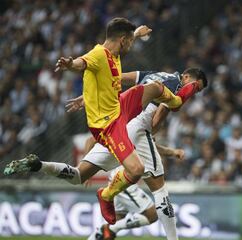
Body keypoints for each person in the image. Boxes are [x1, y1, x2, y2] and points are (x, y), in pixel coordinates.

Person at [9, 17, 200, 225]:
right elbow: (82, 63)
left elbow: (111, 77)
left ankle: (37, 165)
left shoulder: (115, 52)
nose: (130, 46)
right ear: (122, 40)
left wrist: (136, 33)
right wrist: (70, 64)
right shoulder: (98, 54)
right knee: (136, 169)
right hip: (108, 126)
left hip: (120, 108)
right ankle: (107, 195)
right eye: (129, 41)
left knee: (153, 87)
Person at [4, 68, 207, 240]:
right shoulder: (177, 85)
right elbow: (156, 120)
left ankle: (39, 165)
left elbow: (120, 78)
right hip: (137, 128)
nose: (194, 93)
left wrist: (89, 96)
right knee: (159, 190)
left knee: (78, 175)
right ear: (187, 77)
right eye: (196, 87)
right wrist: (151, 134)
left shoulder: (155, 74)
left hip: (116, 125)